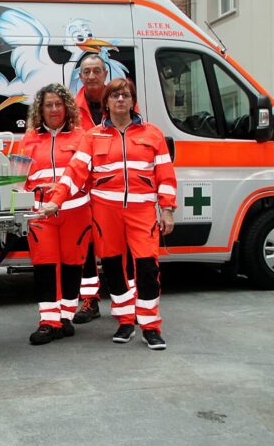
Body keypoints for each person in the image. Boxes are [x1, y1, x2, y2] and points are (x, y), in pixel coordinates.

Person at [40, 78, 177, 350]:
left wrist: (168, 210)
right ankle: (126, 321)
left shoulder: (153, 134)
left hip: (143, 212)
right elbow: (74, 173)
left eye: (125, 95)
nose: (120, 100)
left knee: (148, 268)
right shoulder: (93, 137)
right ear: (106, 103)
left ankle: (150, 325)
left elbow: (166, 175)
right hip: (105, 213)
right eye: (114, 96)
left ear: (132, 100)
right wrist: (56, 201)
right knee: (114, 268)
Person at [20, 83, 91, 345]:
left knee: (73, 266)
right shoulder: (29, 139)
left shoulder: (82, 137)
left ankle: (65, 317)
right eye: (48, 104)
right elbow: (20, 177)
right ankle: (48, 322)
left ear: (67, 107)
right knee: (46, 266)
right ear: (40, 108)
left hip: (75, 212)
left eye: (58, 104)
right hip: (41, 215)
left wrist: (63, 189)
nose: (53, 109)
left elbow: (87, 174)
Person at [72, 54, 135, 324]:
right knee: (86, 246)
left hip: (115, 189)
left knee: (125, 246)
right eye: (87, 71)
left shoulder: (119, 101)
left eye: (97, 70)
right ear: (81, 76)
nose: (92, 75)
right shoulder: (72, 108)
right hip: (84, 188)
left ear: (104, 73)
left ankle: (130, 300)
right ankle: (89, 301)